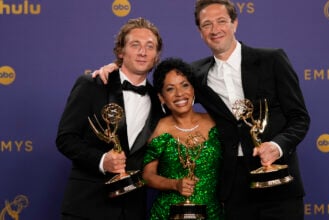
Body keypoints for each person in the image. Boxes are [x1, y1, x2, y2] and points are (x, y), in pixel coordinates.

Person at [93, 0, 310, 219]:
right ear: (200, 32)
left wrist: (277, 146)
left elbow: (300, 118)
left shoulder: (271, 60)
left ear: (235, 23)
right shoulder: (196, 74)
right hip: (234, 188)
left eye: (222, 21)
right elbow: (169, 90)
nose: (215, 30)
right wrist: (117, 70)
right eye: (207, 24)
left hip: (278, 179)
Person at [56, 17, 163, 220]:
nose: (143, 52)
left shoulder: (160, 102)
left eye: (150, 46)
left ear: (156, 56)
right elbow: (65, 139)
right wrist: (102, 160)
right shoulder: (92, 84)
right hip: (87, 207)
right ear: (121, 51)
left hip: (132, 211)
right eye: (135, 45)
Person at [142, 57, 223, 219]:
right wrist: (174, 184)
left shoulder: (215, 122)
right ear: (161, 97)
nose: (180, 94)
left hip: (212, 213)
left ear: (193, 89)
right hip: (168, 213)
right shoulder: (157, 129)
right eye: (170, 89)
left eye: (185, 85)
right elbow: (147, 176)